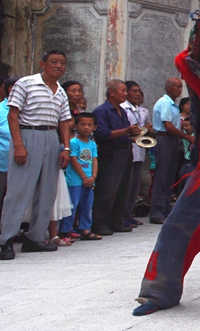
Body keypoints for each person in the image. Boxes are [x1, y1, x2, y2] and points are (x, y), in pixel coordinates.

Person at [0, 51, 73, 260]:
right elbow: (13, 115)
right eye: (54, 62)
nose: (58, 66)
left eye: (62, 63)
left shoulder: (60, 91)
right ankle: (6, 240)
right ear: (43, 64)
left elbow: (64, 122)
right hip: (28, 133)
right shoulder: (26, 83)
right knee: (19, 190)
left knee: (47, 190)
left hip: (51, 136)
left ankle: (36, 237)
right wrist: (19, 145)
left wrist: (65, 148)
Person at [91, 80, 140, 236]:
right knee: (107, 189)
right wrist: (126, 130)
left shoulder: (122, 111)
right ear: (112, 92)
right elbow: (102, 134)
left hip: (125, 151)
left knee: (123, 189)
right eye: (123, 91)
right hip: (110, 152)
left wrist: (136, 133)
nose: (126, 94)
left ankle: (117, 222)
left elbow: (125, 133)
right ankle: (100, 224)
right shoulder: (102, 111)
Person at [150, 78, 192, 224]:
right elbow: (168, 126)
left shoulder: (174, 105)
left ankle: (166, 209)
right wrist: (187, 137)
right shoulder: (165, 103)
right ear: (169, 88)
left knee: (170, 177)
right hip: (165, 138)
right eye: (177, 87)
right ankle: (157, 212)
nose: (179, 90)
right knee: (162, 177)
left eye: (181, 87)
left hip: (173, 140)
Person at [59, 113, 102, 242]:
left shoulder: (92, 144)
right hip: (75, 180)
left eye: (89, 125)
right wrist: (83, 177)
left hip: (89, 180)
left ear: (95, 127)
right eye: (82, 124)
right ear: (76, 126)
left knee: (87, 205)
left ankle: (85, 229)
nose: (86, 128)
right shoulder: (73, 142)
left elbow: (94, 160)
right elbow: (73, 160)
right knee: (73, 205)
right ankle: (65, 230)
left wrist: (93, 176)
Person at [121, 81, 150, 227]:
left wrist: (146, 128)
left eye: (139, 91)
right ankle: (121, 216)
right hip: (127, 150)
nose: (137, 94)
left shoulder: (142, 111)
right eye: (133, 91)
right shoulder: (122, 109)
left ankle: (128, 214)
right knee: (125, 186)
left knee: (134, 187)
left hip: (139, 151)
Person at [0, 76, 17, 226]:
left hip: (22, 164)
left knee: (15, 199)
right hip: (2, 163)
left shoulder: (29, 109)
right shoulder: (0, 109)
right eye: (12, 86)